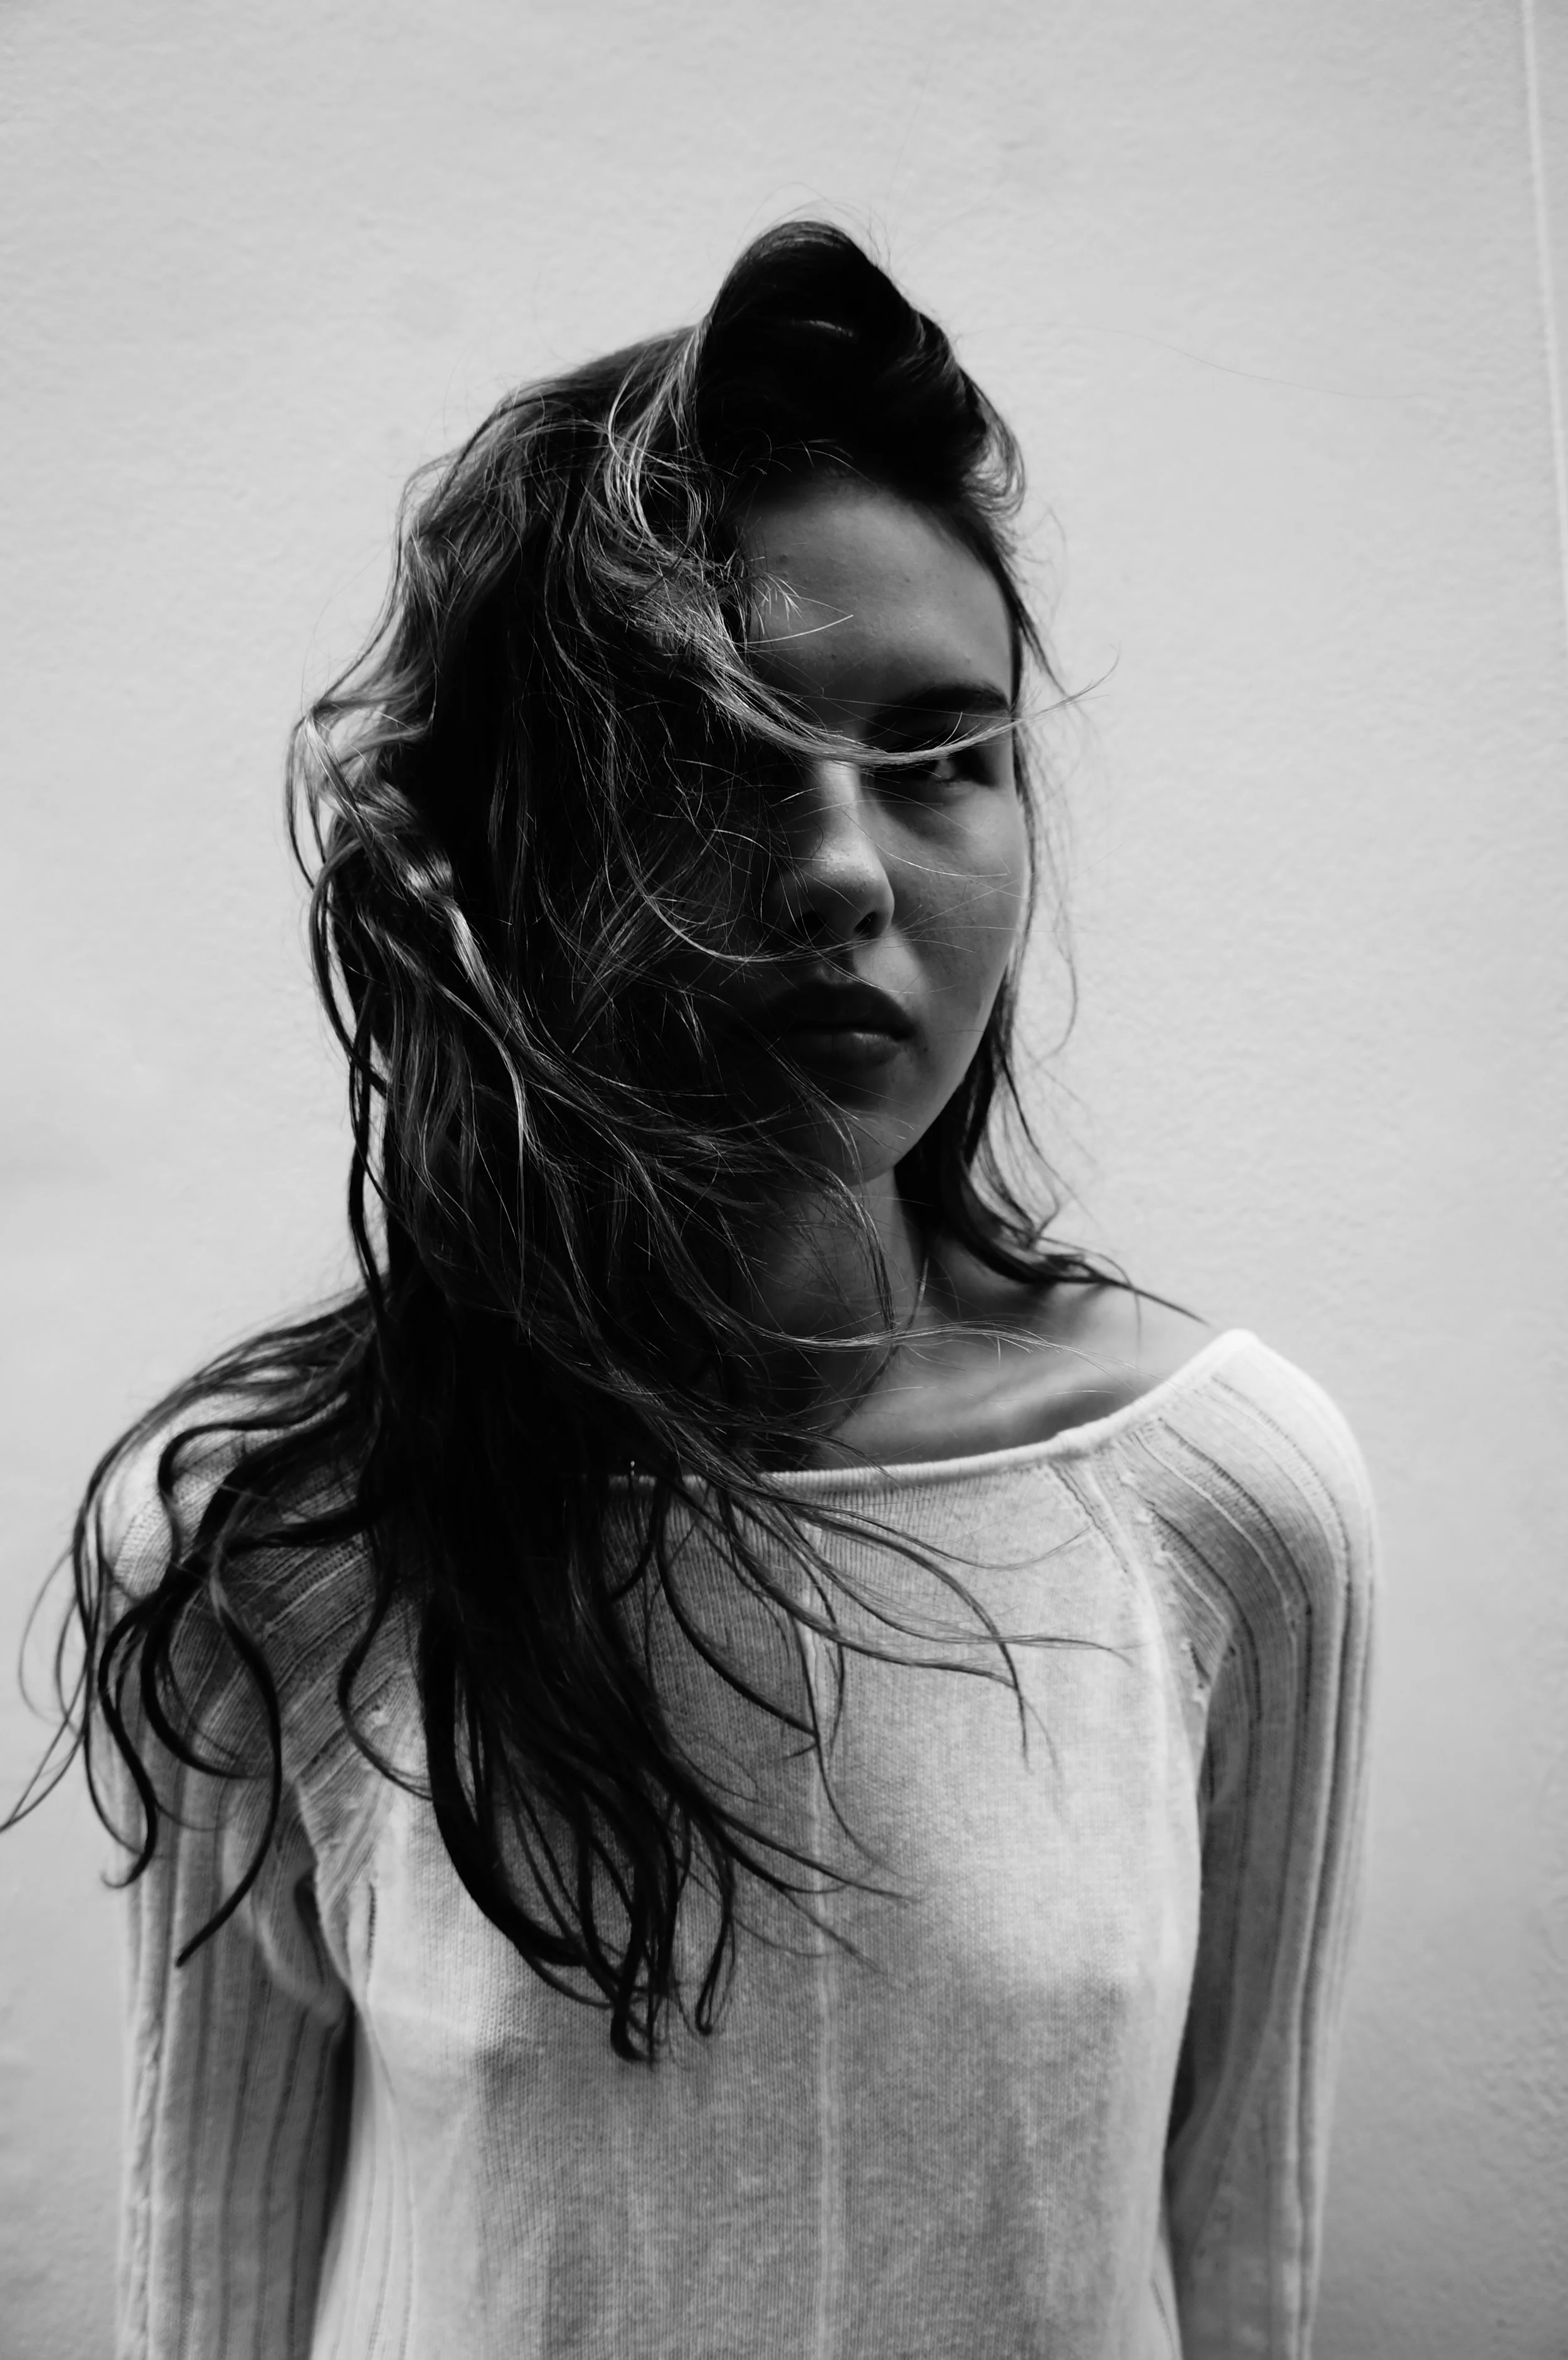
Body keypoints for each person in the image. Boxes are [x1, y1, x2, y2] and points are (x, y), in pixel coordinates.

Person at [37, 222, 1374, 2357]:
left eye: (943, 754)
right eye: (721, 751)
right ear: (501, 837)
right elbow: (208, 2286)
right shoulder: (272, 1538)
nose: (845, 866)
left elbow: (1235, 2256)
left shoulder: (1222, 1497)